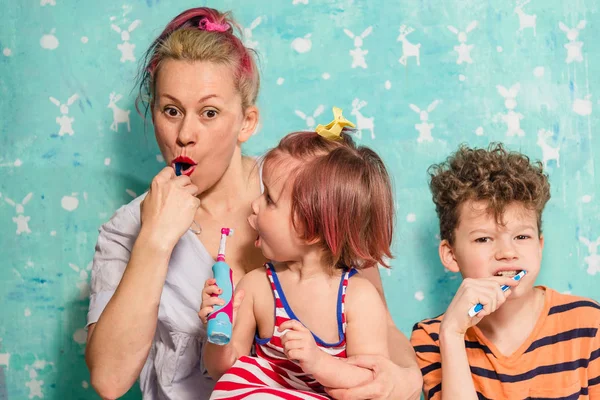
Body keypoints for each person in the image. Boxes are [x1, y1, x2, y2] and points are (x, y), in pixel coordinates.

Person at [84, 6, 421, 400]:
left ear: (246, 122)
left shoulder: (308, 188)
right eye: (171, 110)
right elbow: (108, 381)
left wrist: (405, 380)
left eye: (209, 112)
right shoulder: (126, 229)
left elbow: (382, 329)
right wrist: (154, 241)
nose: (185, 135)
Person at [200, 110, 391, 399]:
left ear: (310, 229)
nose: (254, 205)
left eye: (269, 200)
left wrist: (318, 362)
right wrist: (217, 331)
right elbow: (224, 369)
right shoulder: (257, 286)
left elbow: (370, 380)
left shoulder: (358, 298)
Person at [411, 143, 600, 399]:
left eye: (522, 236)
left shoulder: (588, 323)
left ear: (539, 246)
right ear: (451, 255)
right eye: (483, 239)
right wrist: (452, 335)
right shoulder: (432, 338)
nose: (507, 252)